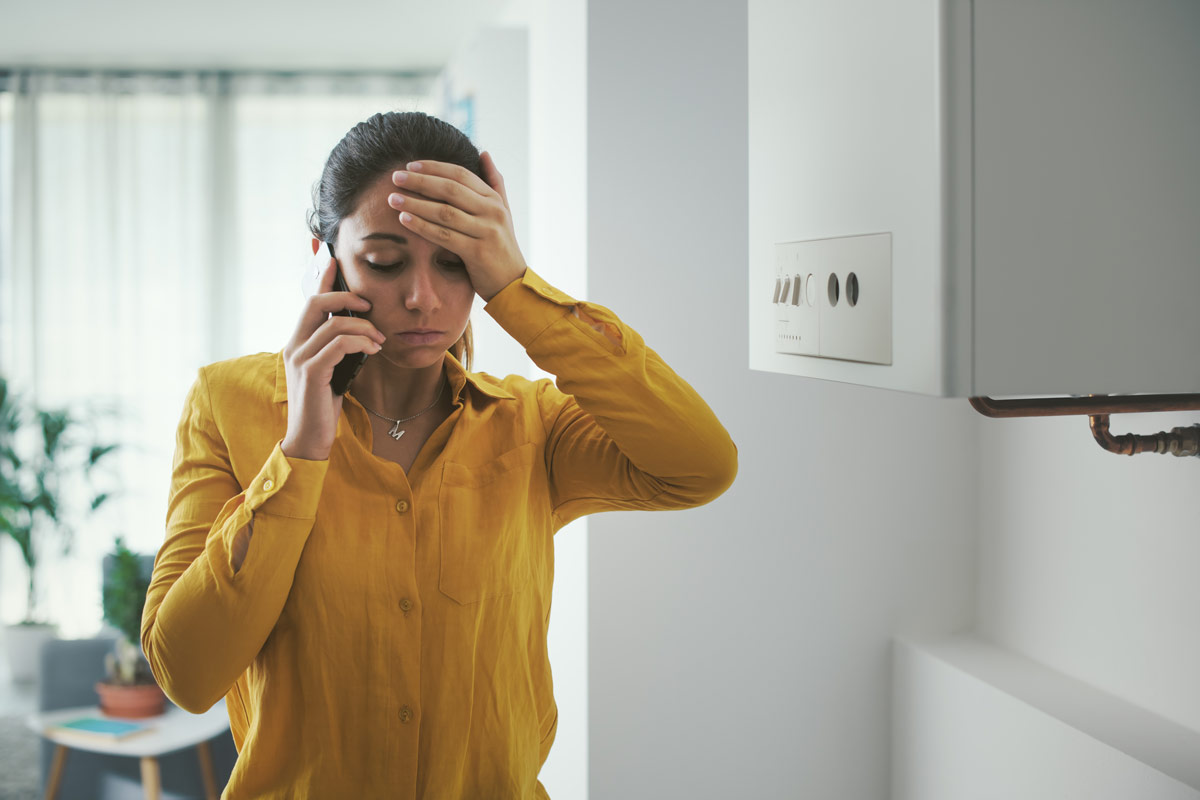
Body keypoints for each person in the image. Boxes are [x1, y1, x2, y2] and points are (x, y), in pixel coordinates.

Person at [141, 111, 737, 799]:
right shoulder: (225, 404)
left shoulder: (532, 426)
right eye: (386, 262)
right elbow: (186, 674)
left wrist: (518, 287)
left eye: (455, 263)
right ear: (324, 259)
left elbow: (701, 464)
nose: (422, 298)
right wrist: (301, 452)